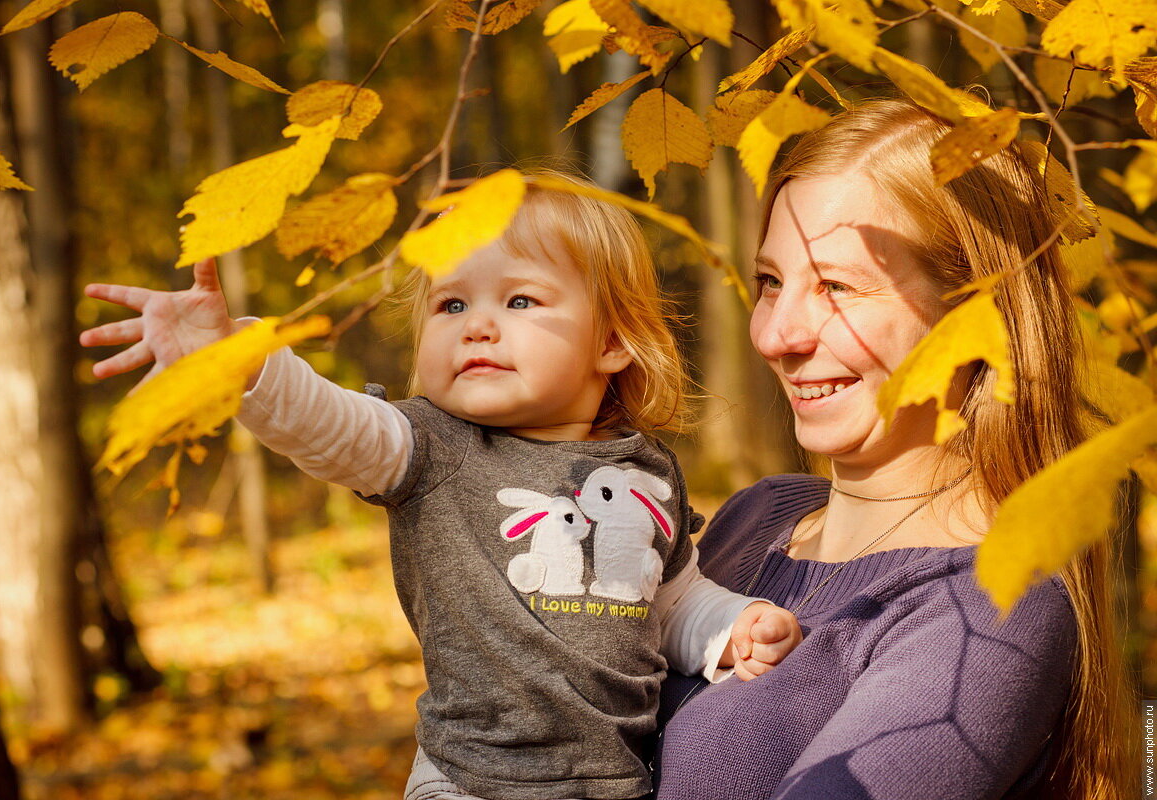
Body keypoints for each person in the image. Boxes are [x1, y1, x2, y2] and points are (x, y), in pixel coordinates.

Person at [80, 171, 806, 800]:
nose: (478, 327)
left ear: (613, 341)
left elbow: (668, 598)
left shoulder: (645, 469)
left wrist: (729, 627)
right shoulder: (428, 445)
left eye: (520, 301)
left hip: (614, 779)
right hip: (467, 779)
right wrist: (236, 364)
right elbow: (328, 423)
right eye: (451, 305)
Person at [650, 98, 1139, 799]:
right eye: (771, 283)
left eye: (837, 288)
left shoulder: (989, 608)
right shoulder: (757, 521)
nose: (776, 336)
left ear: (973, 312)